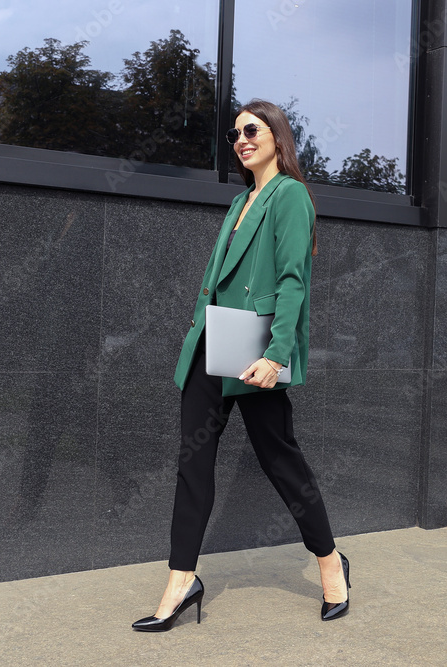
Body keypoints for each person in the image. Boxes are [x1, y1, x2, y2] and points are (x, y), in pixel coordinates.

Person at [131, 99, 350, 632]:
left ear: (277, 135)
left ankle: (329, 562)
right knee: (192, 467)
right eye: (235, 134)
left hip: (253, 352)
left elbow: (294, 280)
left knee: (281, 462)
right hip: (212, 346)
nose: (242, 139)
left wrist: (277, 354)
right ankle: (181, 580)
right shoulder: (238, 202)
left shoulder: (289, 195)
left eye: (252, 130)